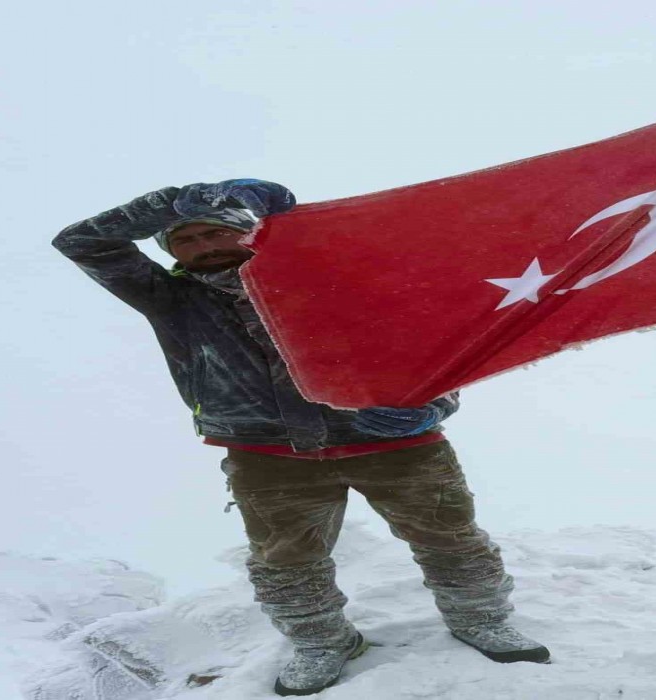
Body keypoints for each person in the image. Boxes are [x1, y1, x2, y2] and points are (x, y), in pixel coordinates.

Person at [52, 179, 548, 696]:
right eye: (186, 238)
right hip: (266, 455)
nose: (203, 245)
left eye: (216, 231)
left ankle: (480, 619)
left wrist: (432, 407)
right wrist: (166, 204)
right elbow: (81, 243)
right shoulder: (170, 298)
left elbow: (435, 350)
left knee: (450, 540)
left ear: (250, 232)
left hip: (398, 446)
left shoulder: (335, 278)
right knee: (285, 561)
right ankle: (322, 643)